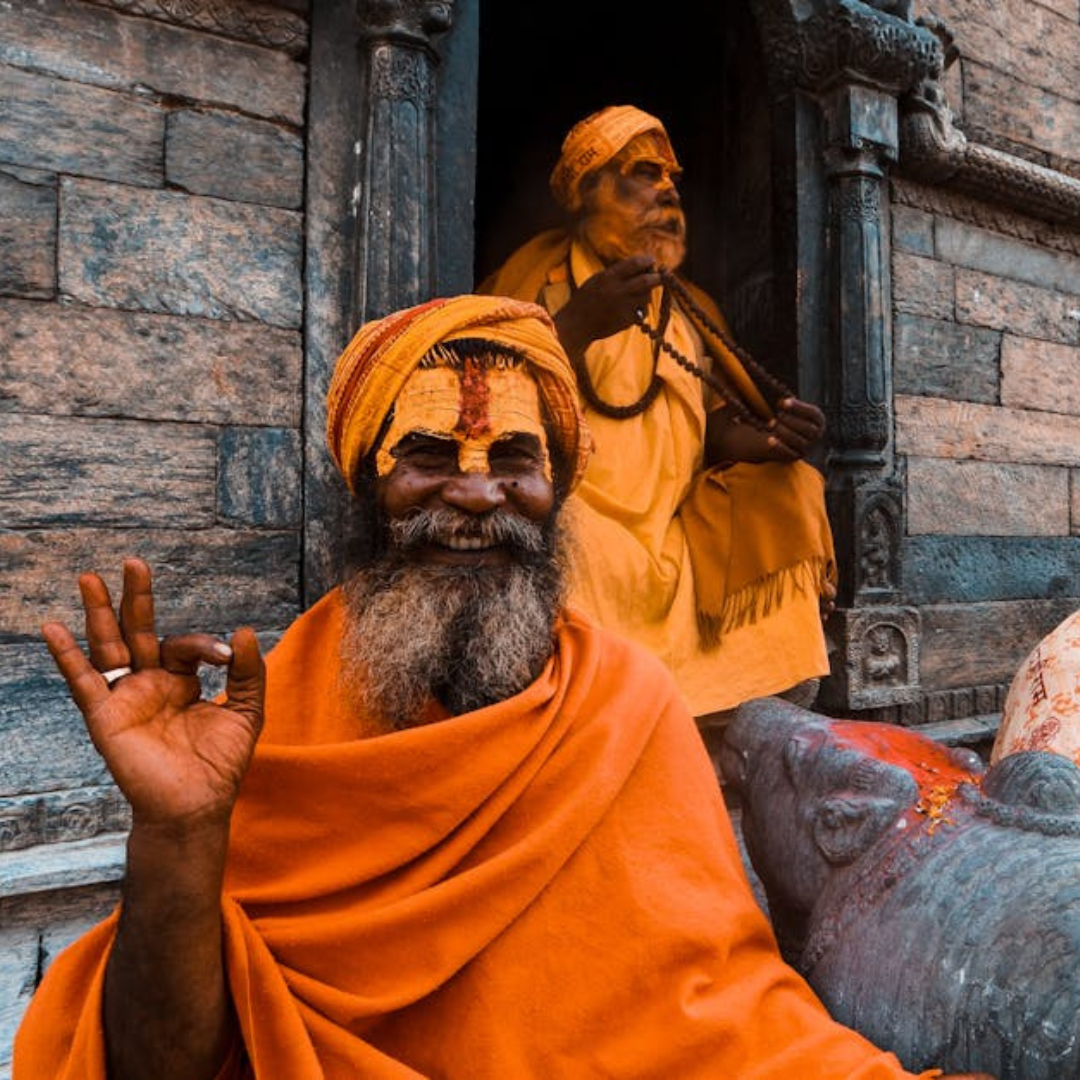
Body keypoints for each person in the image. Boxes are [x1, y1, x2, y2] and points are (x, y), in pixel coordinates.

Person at [14, 295, 988, 1080]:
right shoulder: (274, 723)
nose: (476, 494)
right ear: (367, 487)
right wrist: (177, 834)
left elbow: (728, 1020)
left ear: (558, 489)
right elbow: (164, 1065)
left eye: (513, 461)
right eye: (430, 456)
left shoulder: (628, 709)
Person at [479, 104, 838, 722]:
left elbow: (715, 421)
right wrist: (576, 327)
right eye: (645, 172)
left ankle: (748, 698)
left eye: (672, 178)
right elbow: (483, 408)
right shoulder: (529, 281)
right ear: (589, 189)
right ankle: (599, 708)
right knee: (549, 530)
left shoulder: (690, 304)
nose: (670, 190)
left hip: (675, 525)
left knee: (788, 487)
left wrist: (766, 441)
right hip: (582, 515)